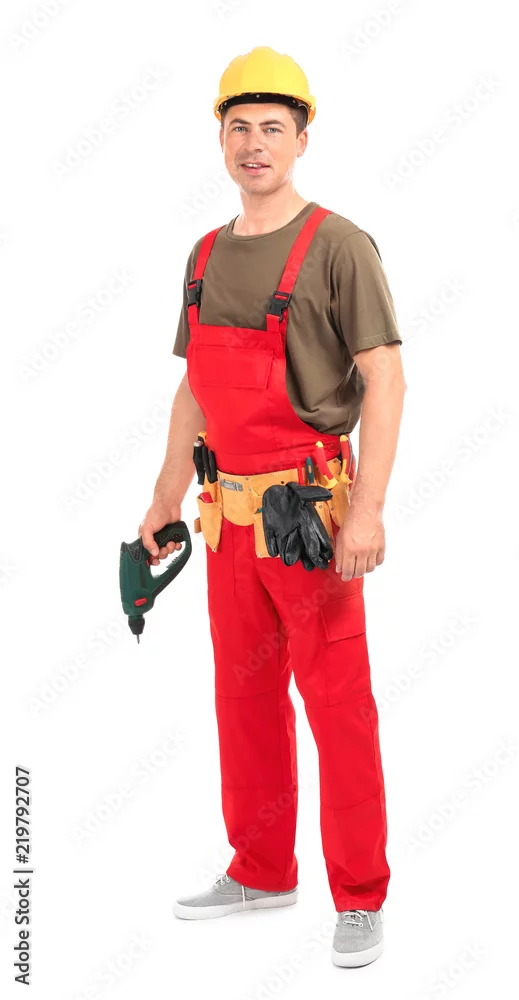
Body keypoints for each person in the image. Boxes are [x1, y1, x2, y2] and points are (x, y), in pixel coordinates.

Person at [138, 46, 406, 969]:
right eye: (238, 127)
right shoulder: (205, 254)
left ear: (301, 139)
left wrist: (367, 509)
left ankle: (360, 895)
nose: (253, 144)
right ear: (220, 137)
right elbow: (195, 388)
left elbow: (384, 378)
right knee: (243, 696)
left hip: (309, 516)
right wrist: (165, 495)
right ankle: (260, 869)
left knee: (337, 706)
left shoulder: (339, 246)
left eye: (272, 128)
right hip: (228, 517)